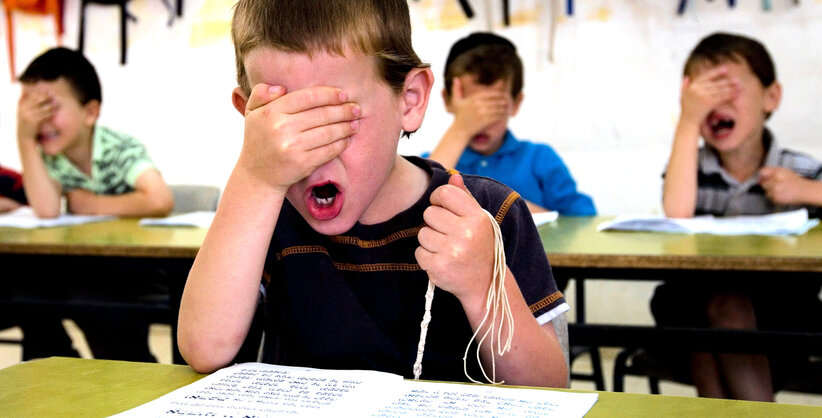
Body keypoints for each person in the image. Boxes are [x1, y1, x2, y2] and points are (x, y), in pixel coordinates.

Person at [178, 0, 569, 388]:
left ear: (409, 99)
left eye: (339, 116)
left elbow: (549, 389)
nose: (313, 150)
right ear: (249, 115)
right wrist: (254, 176)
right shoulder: (267, 213)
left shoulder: (488, 215)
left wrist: (485, 286)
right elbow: (204, 348)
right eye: (285, 123)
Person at [653, 32, 822, 401]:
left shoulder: (800, 170)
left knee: (722, 313)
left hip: (784, 309)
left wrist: (805, 192)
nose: (715, 103)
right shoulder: (688, 168)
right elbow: (677, 212)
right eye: (703, 94)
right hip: (692, 300)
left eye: (728, 88)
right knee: (709, 312)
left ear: (772, 97)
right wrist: (687, 122)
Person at [15, 47, 174, 362]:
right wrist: (24, 138)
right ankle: (55, 367)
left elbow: (159, 199)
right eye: (29, 109)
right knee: (24, 290)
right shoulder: (49, 157)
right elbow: (46, 210)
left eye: (48, 106)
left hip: (134, 269)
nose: (39, 121)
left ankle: (132, 373)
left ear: (90, 112)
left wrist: (92, 204)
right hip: (84, 266)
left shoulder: (118, 148)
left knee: (95, 304)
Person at [427, 32, 595, 215]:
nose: (481, 123)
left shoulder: (540, 159)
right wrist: (460, 129)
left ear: (516, 103)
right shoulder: (431, 162)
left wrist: (515, 211)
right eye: (472, 112)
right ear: (447, 100)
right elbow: (416, 210)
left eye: (493, 109)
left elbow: (584, 224)